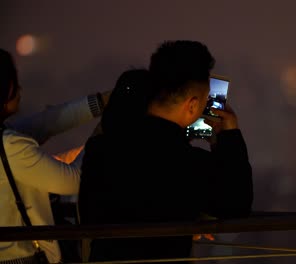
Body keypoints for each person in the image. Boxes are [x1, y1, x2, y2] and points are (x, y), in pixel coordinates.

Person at [78, 40, 253, 263]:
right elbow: (237, 204)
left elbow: (91, 215)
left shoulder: (101, 148)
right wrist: (229, 136)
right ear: (191, 105)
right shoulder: (188, 164)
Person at [0, 48, 109, 263]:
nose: (20, 89)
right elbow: (73, 181)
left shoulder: (8, 139)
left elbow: (47, 122)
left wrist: (102, 102)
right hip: (22, 258)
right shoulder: (11, 145)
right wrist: (102, 132)